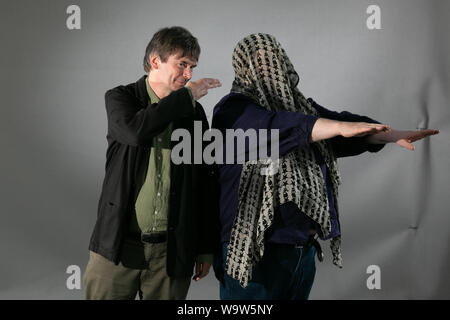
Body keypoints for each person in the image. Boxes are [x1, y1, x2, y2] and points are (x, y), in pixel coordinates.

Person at [211, 33, 439, 300]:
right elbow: (275, 128)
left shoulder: (301, 109)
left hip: (300, 251)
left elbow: (335, 128)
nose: (269, 65)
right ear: (243, 68)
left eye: (273, 56)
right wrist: (336, 127)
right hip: (254, 252)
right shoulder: (233, 111)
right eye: (258, 61)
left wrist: (388, 134)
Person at [83, 26, 221, 300]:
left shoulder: (193, 114)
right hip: (118, 245)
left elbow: (204, 181)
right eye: (182, 64)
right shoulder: (121, 98)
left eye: (192, 66)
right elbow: (135, 131)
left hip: (170, 253)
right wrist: (187, 96)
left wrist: (205, 248)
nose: (189, 74)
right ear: (155, 61)